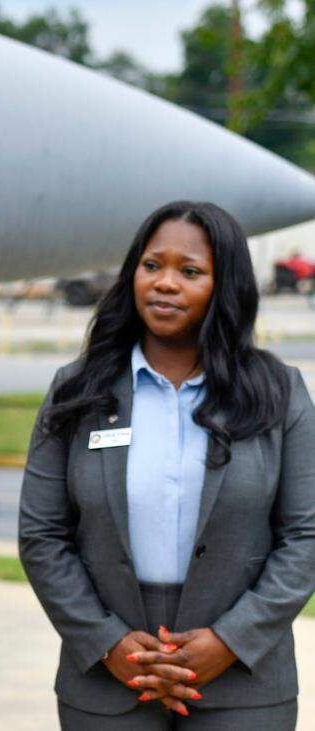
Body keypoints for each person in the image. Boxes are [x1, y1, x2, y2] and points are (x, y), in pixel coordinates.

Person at [19, 200, 315, 729]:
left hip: (245, 682)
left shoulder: (279, 393)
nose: (166, 284)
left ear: (224, 287)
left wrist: (231, 639)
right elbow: (41, 534)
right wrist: (105, 641)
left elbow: (307, 534)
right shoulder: (77, 390)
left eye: (191, 271)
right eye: (152, 265)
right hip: (107, 680)